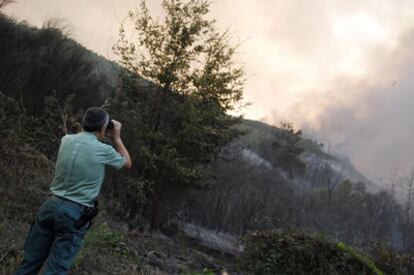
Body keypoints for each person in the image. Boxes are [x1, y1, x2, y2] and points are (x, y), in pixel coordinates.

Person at [15, 107, 132, 274]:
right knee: (55, 269)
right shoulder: (103, 150)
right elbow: (127, 162)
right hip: (74, 214)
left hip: (50, 205)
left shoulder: (66, 140)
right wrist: (116, 137)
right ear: (102, 129)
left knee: (29, 263)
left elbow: (83, 137)